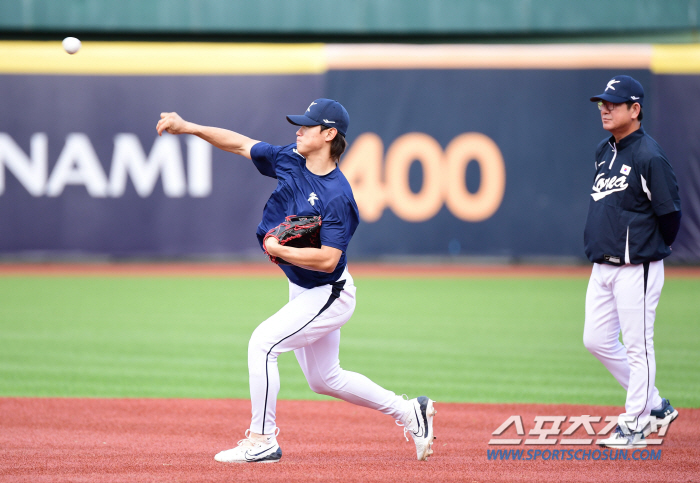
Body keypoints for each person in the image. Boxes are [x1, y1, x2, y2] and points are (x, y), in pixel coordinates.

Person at [156, 98, 436, 463]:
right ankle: (410, 412)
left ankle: (262, 439)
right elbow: (241, 144)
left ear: (329, 134)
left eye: (307, 125)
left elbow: (328, 259)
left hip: (328, 293)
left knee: (263, 344)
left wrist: (280, 249)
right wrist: (189, 126)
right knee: (325, 379)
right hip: (304, 289)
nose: (298, 130)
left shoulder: (338, 196)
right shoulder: (291, 158)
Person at [584, 76, 681, 449]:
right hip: (602, 266)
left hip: (635, 266)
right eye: (602, 103)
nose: (605, 108)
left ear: (635, 109)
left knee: (639, 346)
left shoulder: (649, 156)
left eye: (614, 103)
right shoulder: (603, 151)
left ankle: (636, 423)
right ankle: (654, 405)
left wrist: (647, 249)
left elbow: (670, 215)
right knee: (595, 340)